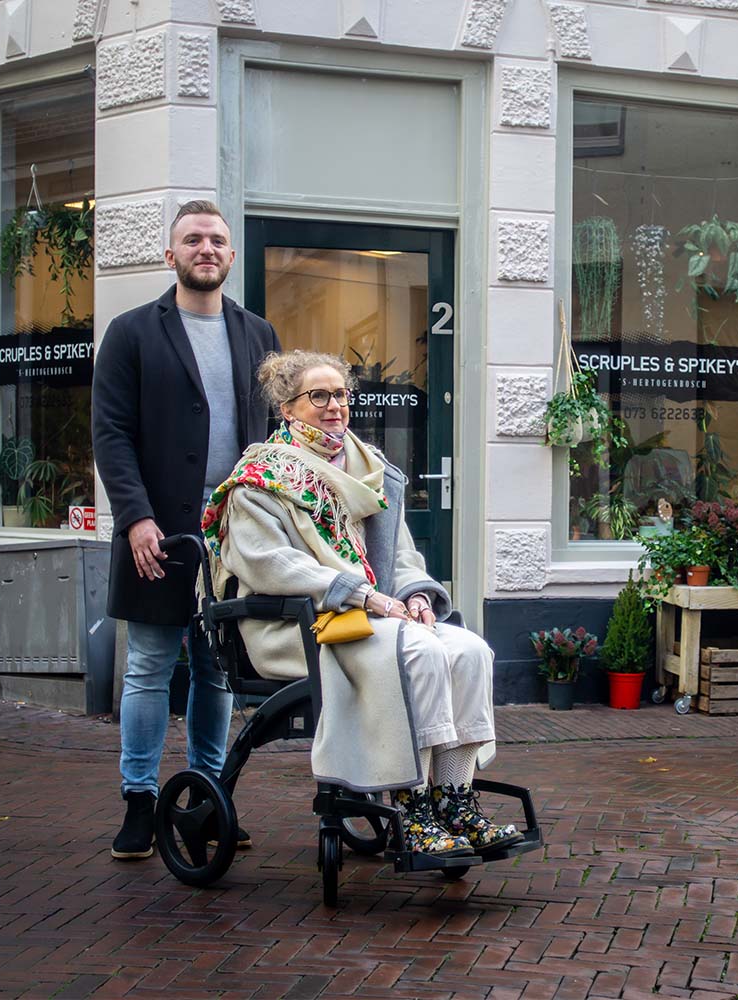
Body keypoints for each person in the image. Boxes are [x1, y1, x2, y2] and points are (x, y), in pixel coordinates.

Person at [201, 351, 522, 856]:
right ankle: (414, 810)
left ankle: (456, 800)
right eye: (319, 396)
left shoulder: (370, 469)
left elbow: (401, 556)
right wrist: (363, 594)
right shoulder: (259, 478)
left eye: (342, 394)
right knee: (417, 654)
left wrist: (416, 596)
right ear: (287, 409)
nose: (335, 406)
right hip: (300, 625)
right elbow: (267, 563)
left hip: (376, 616)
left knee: (468, 650)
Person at [92, 200, 279, 860]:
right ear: (170, 253)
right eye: (193, 238)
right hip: (160, 527)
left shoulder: (259, 334)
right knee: (147, 665)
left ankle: (208, 795)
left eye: (217, 240)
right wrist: (135, 518)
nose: (206, 248)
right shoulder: (132, 332)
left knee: (218, 669)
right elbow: (111, 434)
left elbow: (277, 437)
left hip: (235, 531)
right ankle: (140, 803)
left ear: (230, 257)